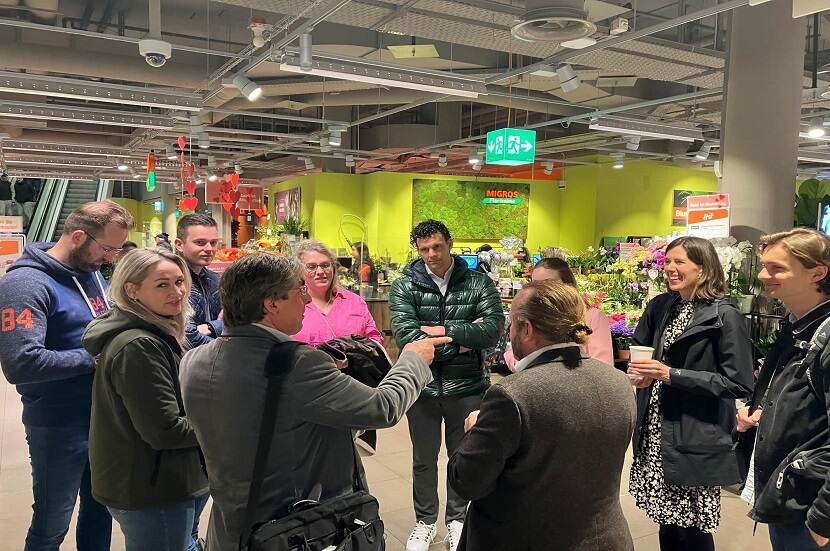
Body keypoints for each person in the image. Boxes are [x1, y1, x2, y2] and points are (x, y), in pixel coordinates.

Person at [179, 253, 451, 551]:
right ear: (271, 304)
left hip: (231, 525)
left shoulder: (193, 360)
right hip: (297, 527)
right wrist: (412, 360)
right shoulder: (298, 363)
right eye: (299, 289)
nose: (307, 299)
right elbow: (383, 408)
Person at [448, 280, 636, 550]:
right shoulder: (618, 382)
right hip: (606, 539)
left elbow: (466, 482)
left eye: (512, 323)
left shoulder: (511, 395)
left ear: (526, 329)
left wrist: (474, 432)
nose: (509, 331)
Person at [0, 200, 134, 551]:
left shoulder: (90, 273)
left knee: (99, 511)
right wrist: (95, 360)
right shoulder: (25, 284)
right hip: (58, 424)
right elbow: (20, 362)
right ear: (78, 236)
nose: (109, 258)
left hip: (102, 418)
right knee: (51, 522)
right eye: (107, 248)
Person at [627, 236, 754, 551]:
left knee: (692, 527)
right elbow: (641, 349)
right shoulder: (662, 306)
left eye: (679, 262)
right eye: (667, 261)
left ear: (703, 267)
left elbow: (738, 383)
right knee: (666, 519)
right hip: (655, 429)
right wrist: (640, 376)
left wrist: (671, 374)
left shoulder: (724, 314)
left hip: (694, 434)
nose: (670, 268)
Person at [83, 248, 209, 551]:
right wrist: (223, 423)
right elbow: (165, 430)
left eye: (180, 282)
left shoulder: (154, 332)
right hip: (152, 487)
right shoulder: (139, 345)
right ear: (132, 290)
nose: (177, 292)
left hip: (157, 479)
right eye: (162, 284)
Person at [389, 219, 504, 551]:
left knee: (463, 456)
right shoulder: (404, 287)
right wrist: (464, 338)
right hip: (422, 389)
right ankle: (425, 521)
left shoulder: (479, 283)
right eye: (424, 249)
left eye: (437, 246)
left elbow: (493, 330)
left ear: (450, 244)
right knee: (423, 460)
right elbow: (407, 338)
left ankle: (458, 519)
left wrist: (440, 332)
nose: (431, 255)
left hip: (467, 387)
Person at [737, 228, 830, 550]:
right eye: (765, 266)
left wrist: (824, 516)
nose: (763, 275)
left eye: (777, 268)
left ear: (817, 273)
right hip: (792, 494)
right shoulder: (800, 326)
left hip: (810, 503)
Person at [504, 257, 613, 367]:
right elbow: (512, 353)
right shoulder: (533, 316)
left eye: (549, 284)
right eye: (535, 285)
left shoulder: (592, 316)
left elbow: (602, 365)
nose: (541, 291)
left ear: (568, 286)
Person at [293, 239, 382, 346]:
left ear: (333, 268)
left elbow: (374, 339)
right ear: (299, 271)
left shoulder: (355, 302)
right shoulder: (290, 304)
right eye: (311, 267)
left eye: (325, 265)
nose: (320, 272)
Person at [175, 214, 223, 348]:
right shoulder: (171, 283)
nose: (209, 249)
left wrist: (209, 327)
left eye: (213, 243)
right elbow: (186, 337)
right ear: (179, 245)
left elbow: (235, 321)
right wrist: (217, 327)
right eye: (200, 243)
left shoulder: (215, 279)